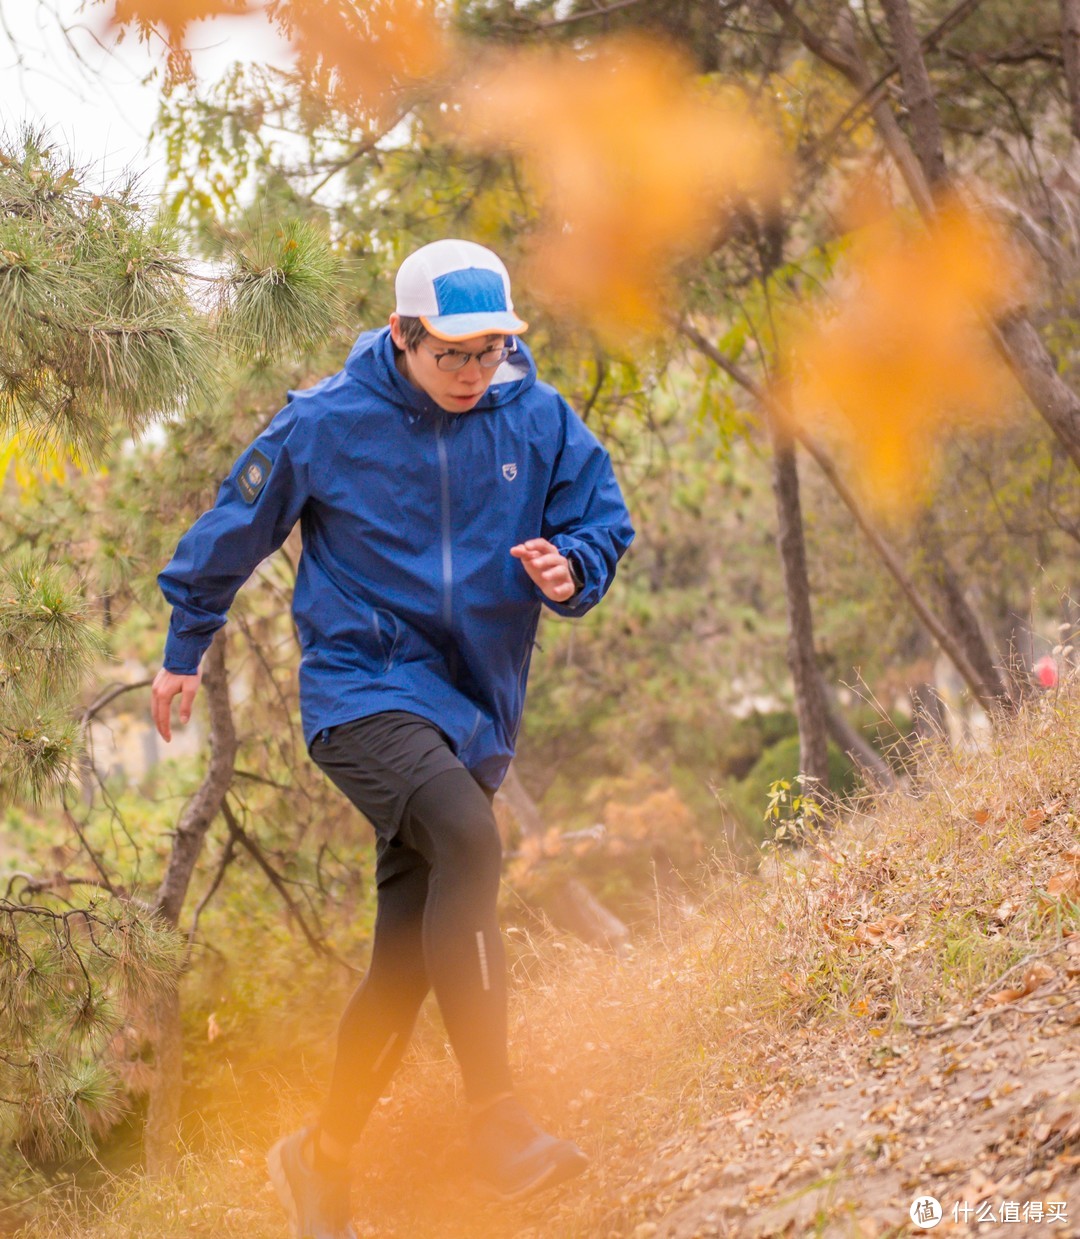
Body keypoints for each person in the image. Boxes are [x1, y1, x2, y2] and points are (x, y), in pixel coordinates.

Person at [151, 238, 634, 1239]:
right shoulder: (327, 421)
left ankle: (316, 1163)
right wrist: (183, 644)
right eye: (452, 354)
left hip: (473, 708)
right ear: (401, 334)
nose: (472, 373)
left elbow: (603, 517)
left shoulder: (536, 417)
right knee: (469, 837)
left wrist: (573, 565)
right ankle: (497, 1120)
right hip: (360, 692)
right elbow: (230, 528)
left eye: (490, 352)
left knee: (408, 961)